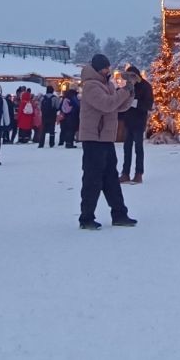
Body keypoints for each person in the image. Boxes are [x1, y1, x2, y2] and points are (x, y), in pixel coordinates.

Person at [78, 54, 135, 230]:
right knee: (92, 179)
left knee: (111, 178)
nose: (107, 70)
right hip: (93, 138)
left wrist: (129, 94)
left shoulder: (107, 85)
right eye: (104, 68)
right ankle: (86, 218)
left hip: (105, 138)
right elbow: (107, 105)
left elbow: (118, 106)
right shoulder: (91, 86)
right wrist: (124, 92)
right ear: (96, 69)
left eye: (108, 67)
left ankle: (119, 214)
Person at [119, 66, 153, 184]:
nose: (129, 79)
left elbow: (149, 105)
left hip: (139, 121)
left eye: (131, 76)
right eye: (128, 77)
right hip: (128, 121)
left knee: (138, 148)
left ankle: (139, 173)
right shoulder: (127, 88)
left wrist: (135, 103)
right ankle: (125, 173)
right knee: (126, 148)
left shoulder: (146, 87)